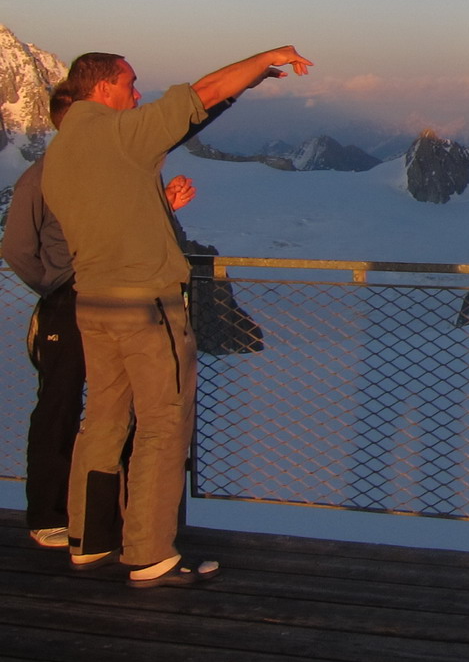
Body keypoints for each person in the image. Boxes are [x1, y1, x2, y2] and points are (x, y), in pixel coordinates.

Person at [42, 45, 311, 588]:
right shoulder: (121, 135)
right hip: (145, 307)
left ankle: (89, 540)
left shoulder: (62, 150)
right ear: (103, 89)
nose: (137, 94)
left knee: (103, 422)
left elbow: (116, 208)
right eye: (130, 83)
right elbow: (198, 96)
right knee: (163, 426)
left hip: (93, 305)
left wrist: (160, 204)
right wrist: (265, 59)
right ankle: (149, 552)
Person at [3, 89, 197, 550]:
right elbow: (16, 249)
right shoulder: (42, 174)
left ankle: (103, 521)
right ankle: (50, 515)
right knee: (62, 407)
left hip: (102, 294)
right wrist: (53, 289)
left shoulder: (105, 173)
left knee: (114, 411)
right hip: (71, 302)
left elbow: (121, 228)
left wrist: (163, 206)